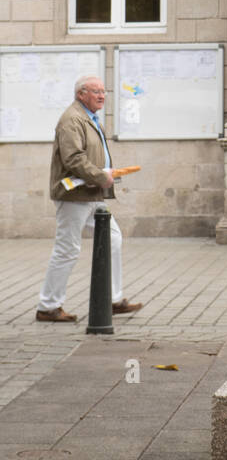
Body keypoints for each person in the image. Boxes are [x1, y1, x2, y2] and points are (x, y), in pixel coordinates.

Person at [36, 75, 143, 322]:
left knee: (113, 239)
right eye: (96, 91)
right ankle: (48, 306)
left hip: (92, 193)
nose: (102, 96)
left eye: (103, 92)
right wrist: (99, 175)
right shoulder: (72, 120)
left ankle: (113, 300)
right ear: (81, 94)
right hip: (75, 195)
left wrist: (103, 175)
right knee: (67, 249)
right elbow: (73, 159)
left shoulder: (90, 118)